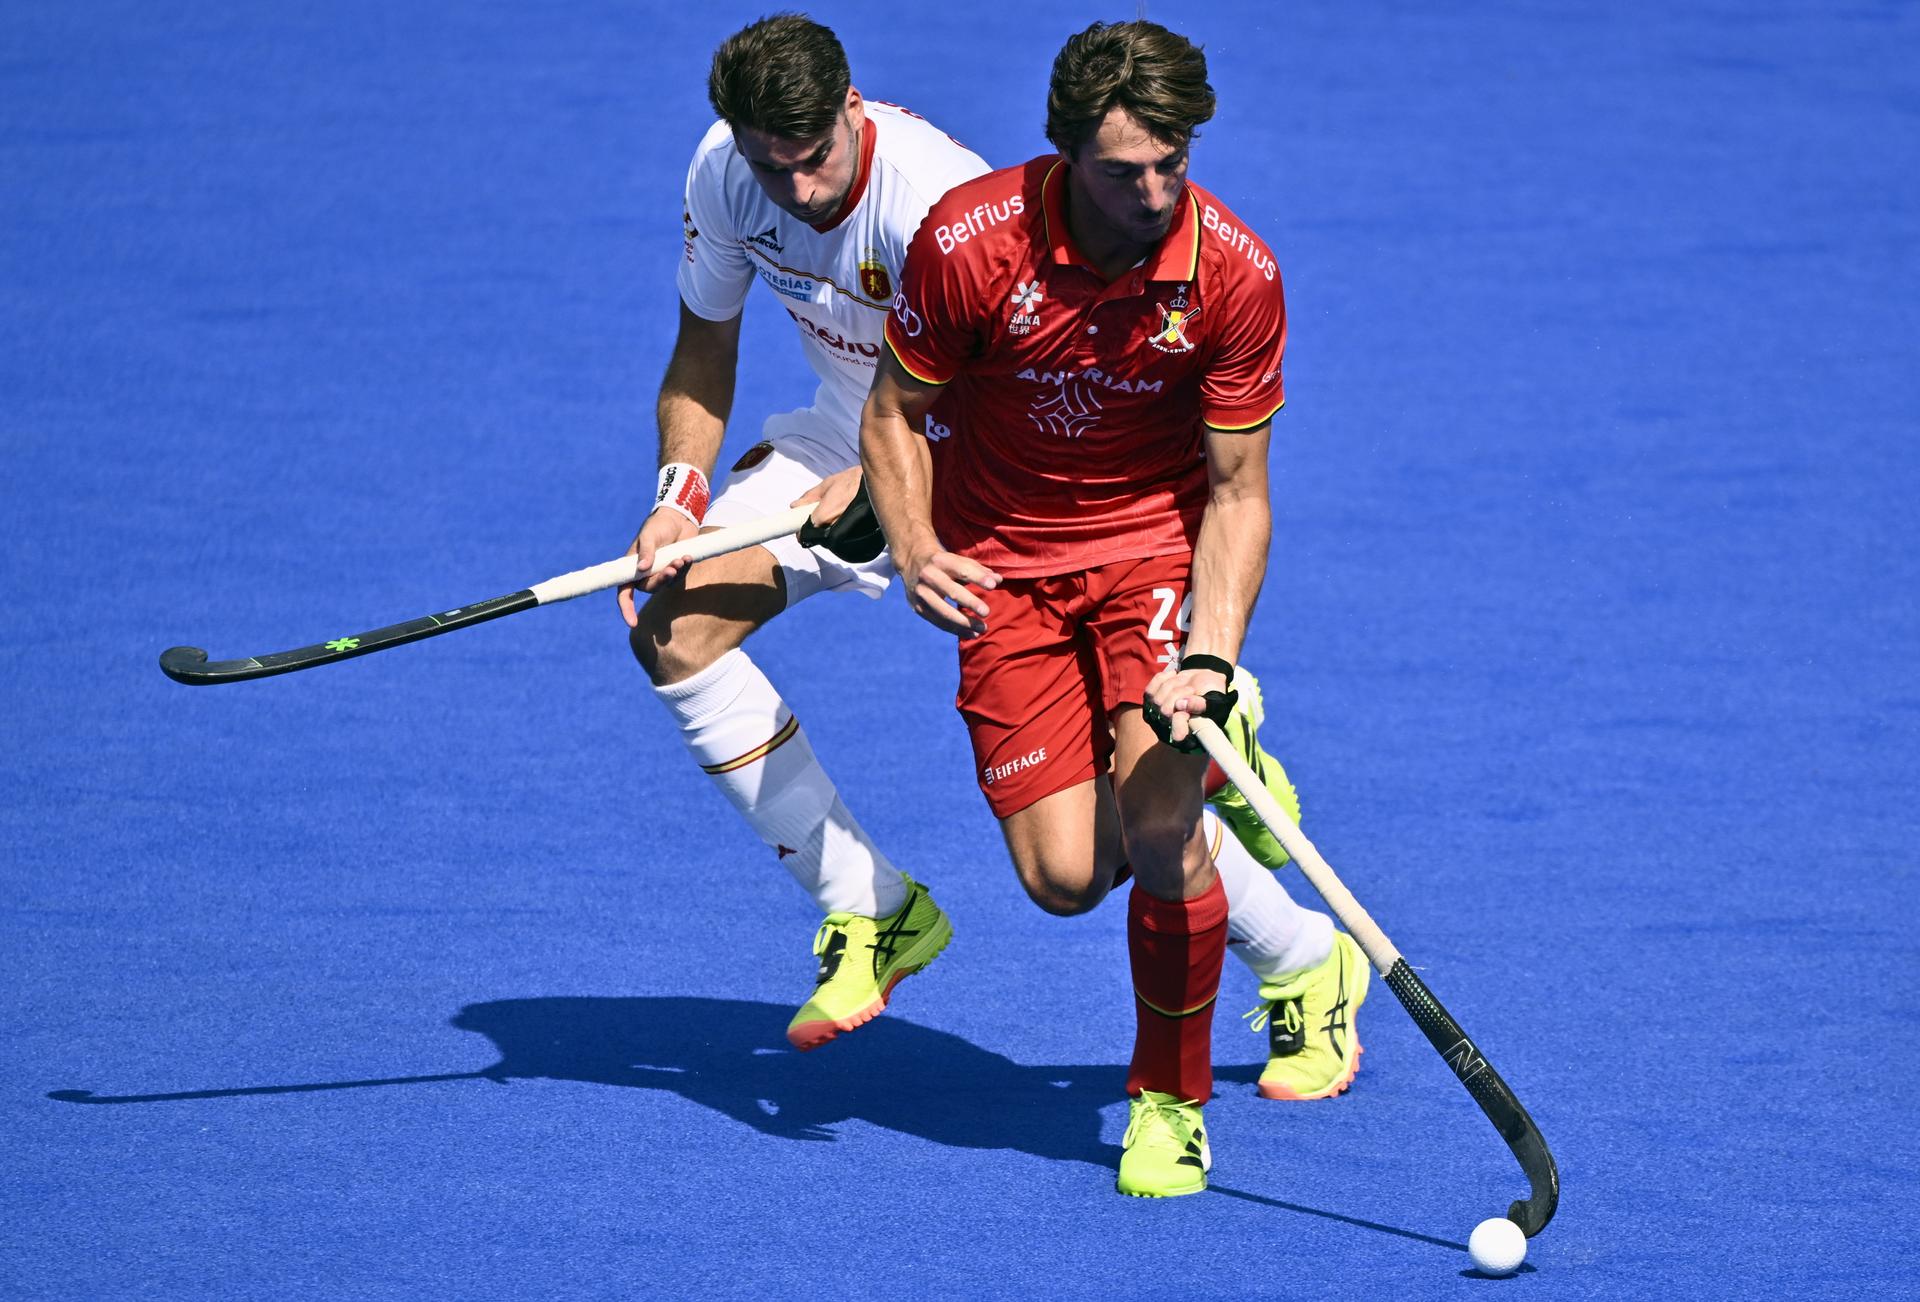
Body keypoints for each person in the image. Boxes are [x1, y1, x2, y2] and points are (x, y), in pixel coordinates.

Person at [858, 19, 1368, 1197]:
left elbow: (1239, 492)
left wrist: (1214, 658)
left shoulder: (1235, 272)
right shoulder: (970, 241)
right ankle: (1204, 775)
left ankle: (1168, 1101)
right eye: (1121, 169)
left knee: (1159, 829)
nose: (1152, 192)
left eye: (1172, 163)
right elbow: (892, 412)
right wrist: (916, 539)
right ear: (1063, 154)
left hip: (1149, 558)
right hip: (1002, 566)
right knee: (1065, 881)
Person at [617, 15, 988, 1051]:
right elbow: (703, 346)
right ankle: (873, 906)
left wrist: (881, 478)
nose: (798, 193)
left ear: (853, 111)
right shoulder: (727, 174)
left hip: (987, 450)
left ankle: (1296, 957)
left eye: (815, 160)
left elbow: (1006, 390)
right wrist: (679, 497)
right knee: (674, 627)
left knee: (1087, 837)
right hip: (853, 425)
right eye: (768, 167)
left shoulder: (942, 208)